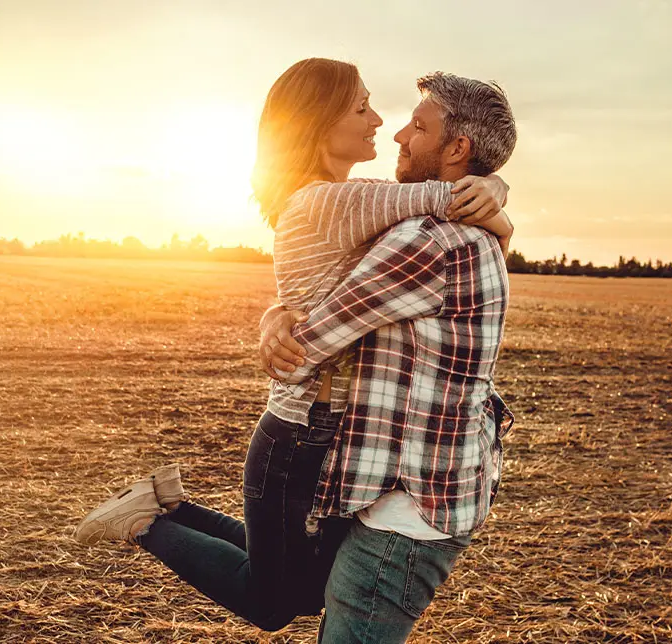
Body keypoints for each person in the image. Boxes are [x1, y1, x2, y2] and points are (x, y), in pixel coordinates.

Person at [73, 58, 513, 632]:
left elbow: (447, 211)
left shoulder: (346, 200)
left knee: (295, 580)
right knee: (275, 600)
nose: (384, 123)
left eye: (410, 122)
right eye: (362, 107)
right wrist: (494, 193)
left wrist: (493, 194)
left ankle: (167, 505)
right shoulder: (331, 202)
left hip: (328, 425)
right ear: (316, 122)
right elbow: (449, 200)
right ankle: (146, 522)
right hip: (303, 422)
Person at [259, 70, 517, 643]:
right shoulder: (460, 232)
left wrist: (283, 325)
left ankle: (153, 519)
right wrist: (496, 194)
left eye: (418, 126)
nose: (397, 134)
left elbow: (306, 349)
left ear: (457, 149)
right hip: (430, 491)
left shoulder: (425, 239)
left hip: (407, 510)